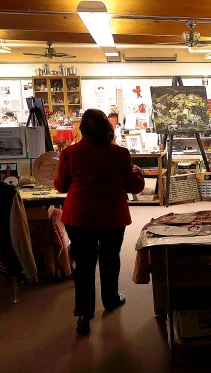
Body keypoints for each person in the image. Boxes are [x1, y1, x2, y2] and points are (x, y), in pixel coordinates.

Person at [54, 108, 145, 336]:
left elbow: (61, 186)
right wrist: (139, 173)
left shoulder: (70, 153)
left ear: (82, 128)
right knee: (110, 258)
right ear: (107, 128)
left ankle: (84, 314)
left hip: (79, 217)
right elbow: (134, 187)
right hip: (111, 216)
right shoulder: (120, 154)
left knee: (83, 264)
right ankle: (111, 299)